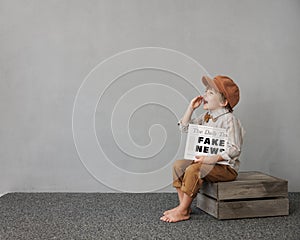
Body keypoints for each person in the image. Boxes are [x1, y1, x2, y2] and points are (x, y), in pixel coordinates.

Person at [160, 75, 245, 223]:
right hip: (206, 162)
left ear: (224, 102)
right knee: (179, 166)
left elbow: (235, 148)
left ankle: (182, 211)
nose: (205, 94)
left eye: (211, 93)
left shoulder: (230, 120)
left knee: (194, 170)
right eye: (206, 91)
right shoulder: (207, 116)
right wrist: (190, 109)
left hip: (225, 168)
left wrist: (212, 158)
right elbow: (185, 127)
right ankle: (183, 207)